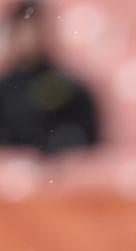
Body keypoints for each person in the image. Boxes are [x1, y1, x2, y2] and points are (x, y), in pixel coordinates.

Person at [0, 0, 100, 154]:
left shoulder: (69, 88)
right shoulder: (4, 90)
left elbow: (86, 142)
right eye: (22, 31)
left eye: (34, 31)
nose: (28, 39)